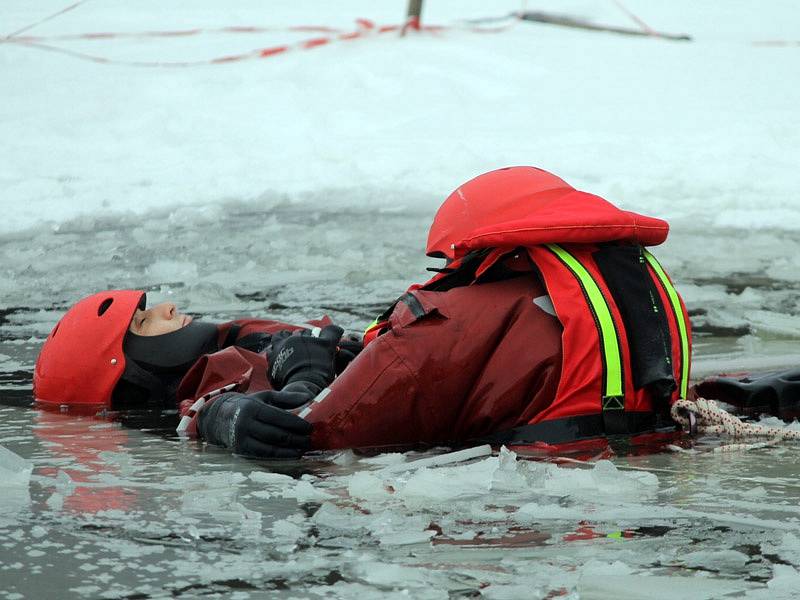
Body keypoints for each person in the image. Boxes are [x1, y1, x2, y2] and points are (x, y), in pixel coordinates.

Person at [34, 166, 796, 458]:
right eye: (151, 316)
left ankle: (740, 404)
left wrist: (261, 390)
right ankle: (741, 403)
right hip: (618, 444)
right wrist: (223, 415)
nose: (170, 304)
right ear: (127, 363)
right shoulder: (623, 282)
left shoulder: (454, 320)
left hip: (569, 467)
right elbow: (315, 428)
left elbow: (329, 421)